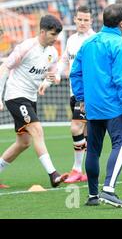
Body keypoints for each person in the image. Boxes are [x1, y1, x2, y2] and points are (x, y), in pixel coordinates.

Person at [70, 4, 122, 208]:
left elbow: (75, 73)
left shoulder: (88, 43)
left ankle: (92, 195)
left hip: (92, 106)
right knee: (121, 143)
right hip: (114, 106)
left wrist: (81, 99)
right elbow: (121, 79)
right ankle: (108, 189)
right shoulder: (119, 44)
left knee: (93, 149)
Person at [0, 15, 68, 189]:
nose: (55, 38)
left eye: (57, 35)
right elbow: (4, 67)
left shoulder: (52, 52)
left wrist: (50, 80)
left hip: (30, 98)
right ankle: (53, 174)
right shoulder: (26, 47)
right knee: (37, 130)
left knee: (24, 142)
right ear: (42, 32)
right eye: (53, 34)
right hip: (15, 96)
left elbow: (54, 74)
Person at [43, 6, 95, 184]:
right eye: (79, 19)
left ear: (91, 21)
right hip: (74, 91)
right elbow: (65, 61)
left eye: (86, 20)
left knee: (75, 128)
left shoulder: (94, 40)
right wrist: (55, 76)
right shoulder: (72, 39)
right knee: (86, 131)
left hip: (88, 93)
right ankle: (89, 170)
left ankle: (77, 169)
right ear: (74, 19)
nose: (82, 23)